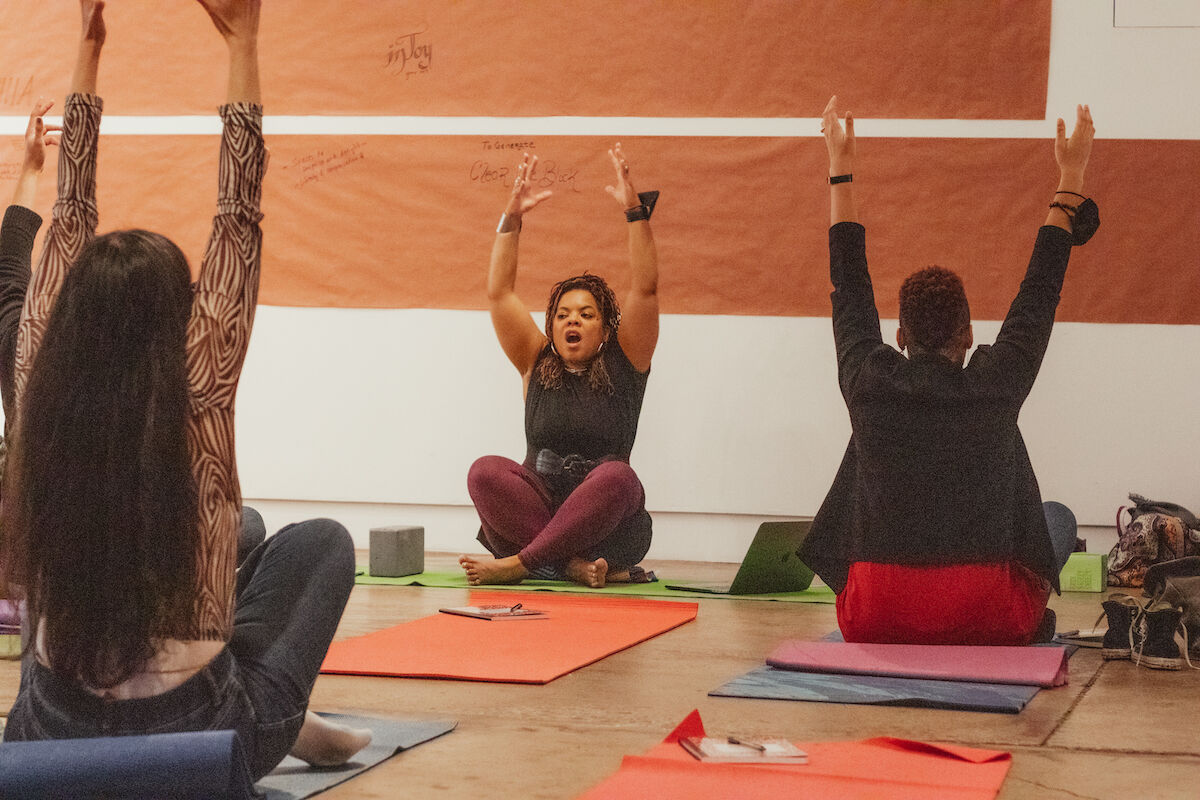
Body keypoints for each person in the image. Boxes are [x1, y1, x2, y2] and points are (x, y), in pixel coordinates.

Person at [1, 0, 369, 780]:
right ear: (181, 319)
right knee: (320, 543)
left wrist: (88, 50)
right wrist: (244, 42)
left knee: (244, 529)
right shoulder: (198, 386)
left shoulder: (37, 379)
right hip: (199, 735)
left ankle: (287, 714)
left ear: (70, 315)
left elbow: (67, 216)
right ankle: (292, 721)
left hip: (48, 730)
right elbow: (238, 215)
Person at [798, 96, 1096, 646]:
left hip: (873, 615)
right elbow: (1038, 296)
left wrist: (840, 166)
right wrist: (1069, 176)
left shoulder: (868, 380)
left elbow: (850, 287)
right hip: (986, 612)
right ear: (968, 336)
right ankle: (1026, 623)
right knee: (1057, 519)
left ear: (901, 337)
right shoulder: (997, 383)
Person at [459, 145, 660, 588]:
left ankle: (522, 563)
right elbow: (499, 293)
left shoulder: (626, 362)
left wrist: (635, 214)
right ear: (550, 325)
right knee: (484, 471)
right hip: (539, 513)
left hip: (607, 525)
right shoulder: (535, 360)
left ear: (606, 328)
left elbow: (645, 289)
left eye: (587, 314)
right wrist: (511, 220)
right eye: (564, 314)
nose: (573, 319)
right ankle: (566, 564)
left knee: (618, 477)